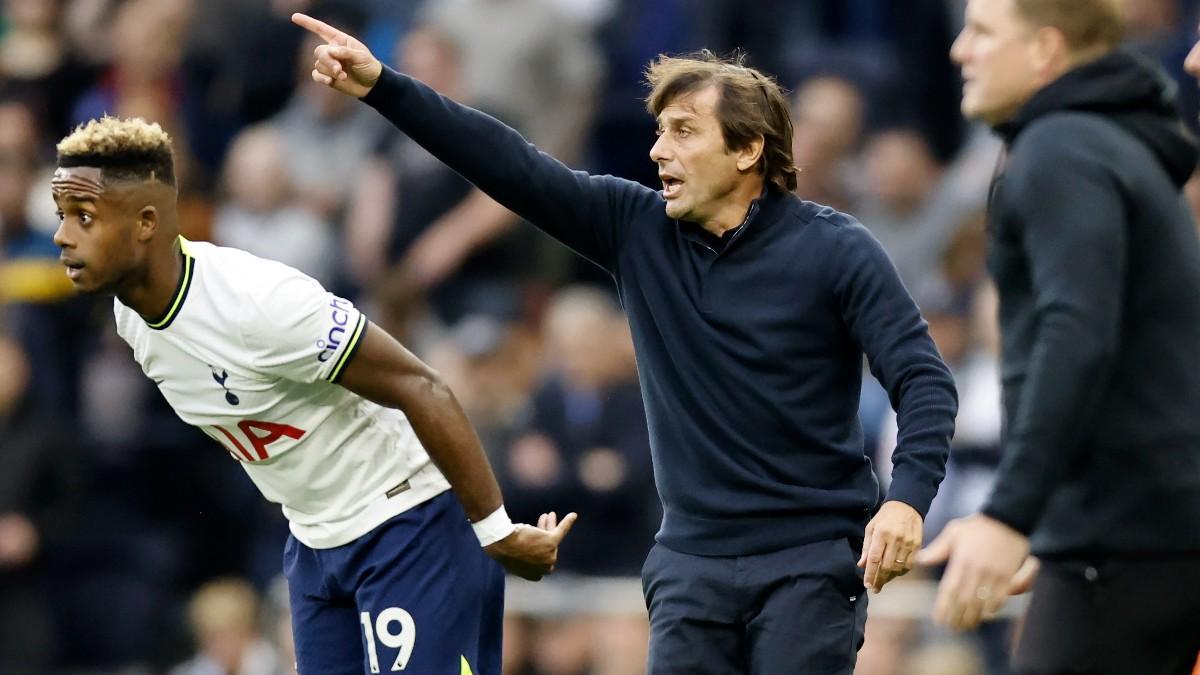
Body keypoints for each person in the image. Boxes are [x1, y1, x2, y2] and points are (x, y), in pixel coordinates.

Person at [293, 14, 958, 673]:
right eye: (658, 132)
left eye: (683, 132)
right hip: (689, 564)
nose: (657, 151)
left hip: (808, 564)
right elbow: (507, 162)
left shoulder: (838, 250)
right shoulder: (636, 228)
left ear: (748, 149)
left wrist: (906, 498)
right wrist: (384, 86)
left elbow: (923, 378)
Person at [50, 116, 576, 675]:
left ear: (146, 222)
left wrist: (493, 530)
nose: (63, 235)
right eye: (62, 216)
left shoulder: (259, 303)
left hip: (408, 526)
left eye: (84, 217)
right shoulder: (129, 319)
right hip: (314, 542)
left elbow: (422, 385)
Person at [918, 0, 1200, 672]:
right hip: (1143, 527)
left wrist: (1009, 515)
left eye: (983, 33)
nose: (960, 51)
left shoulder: (1061, 149)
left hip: (1123, 539)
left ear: (1045, 51)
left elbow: (1077, 334)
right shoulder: (1110, 142)